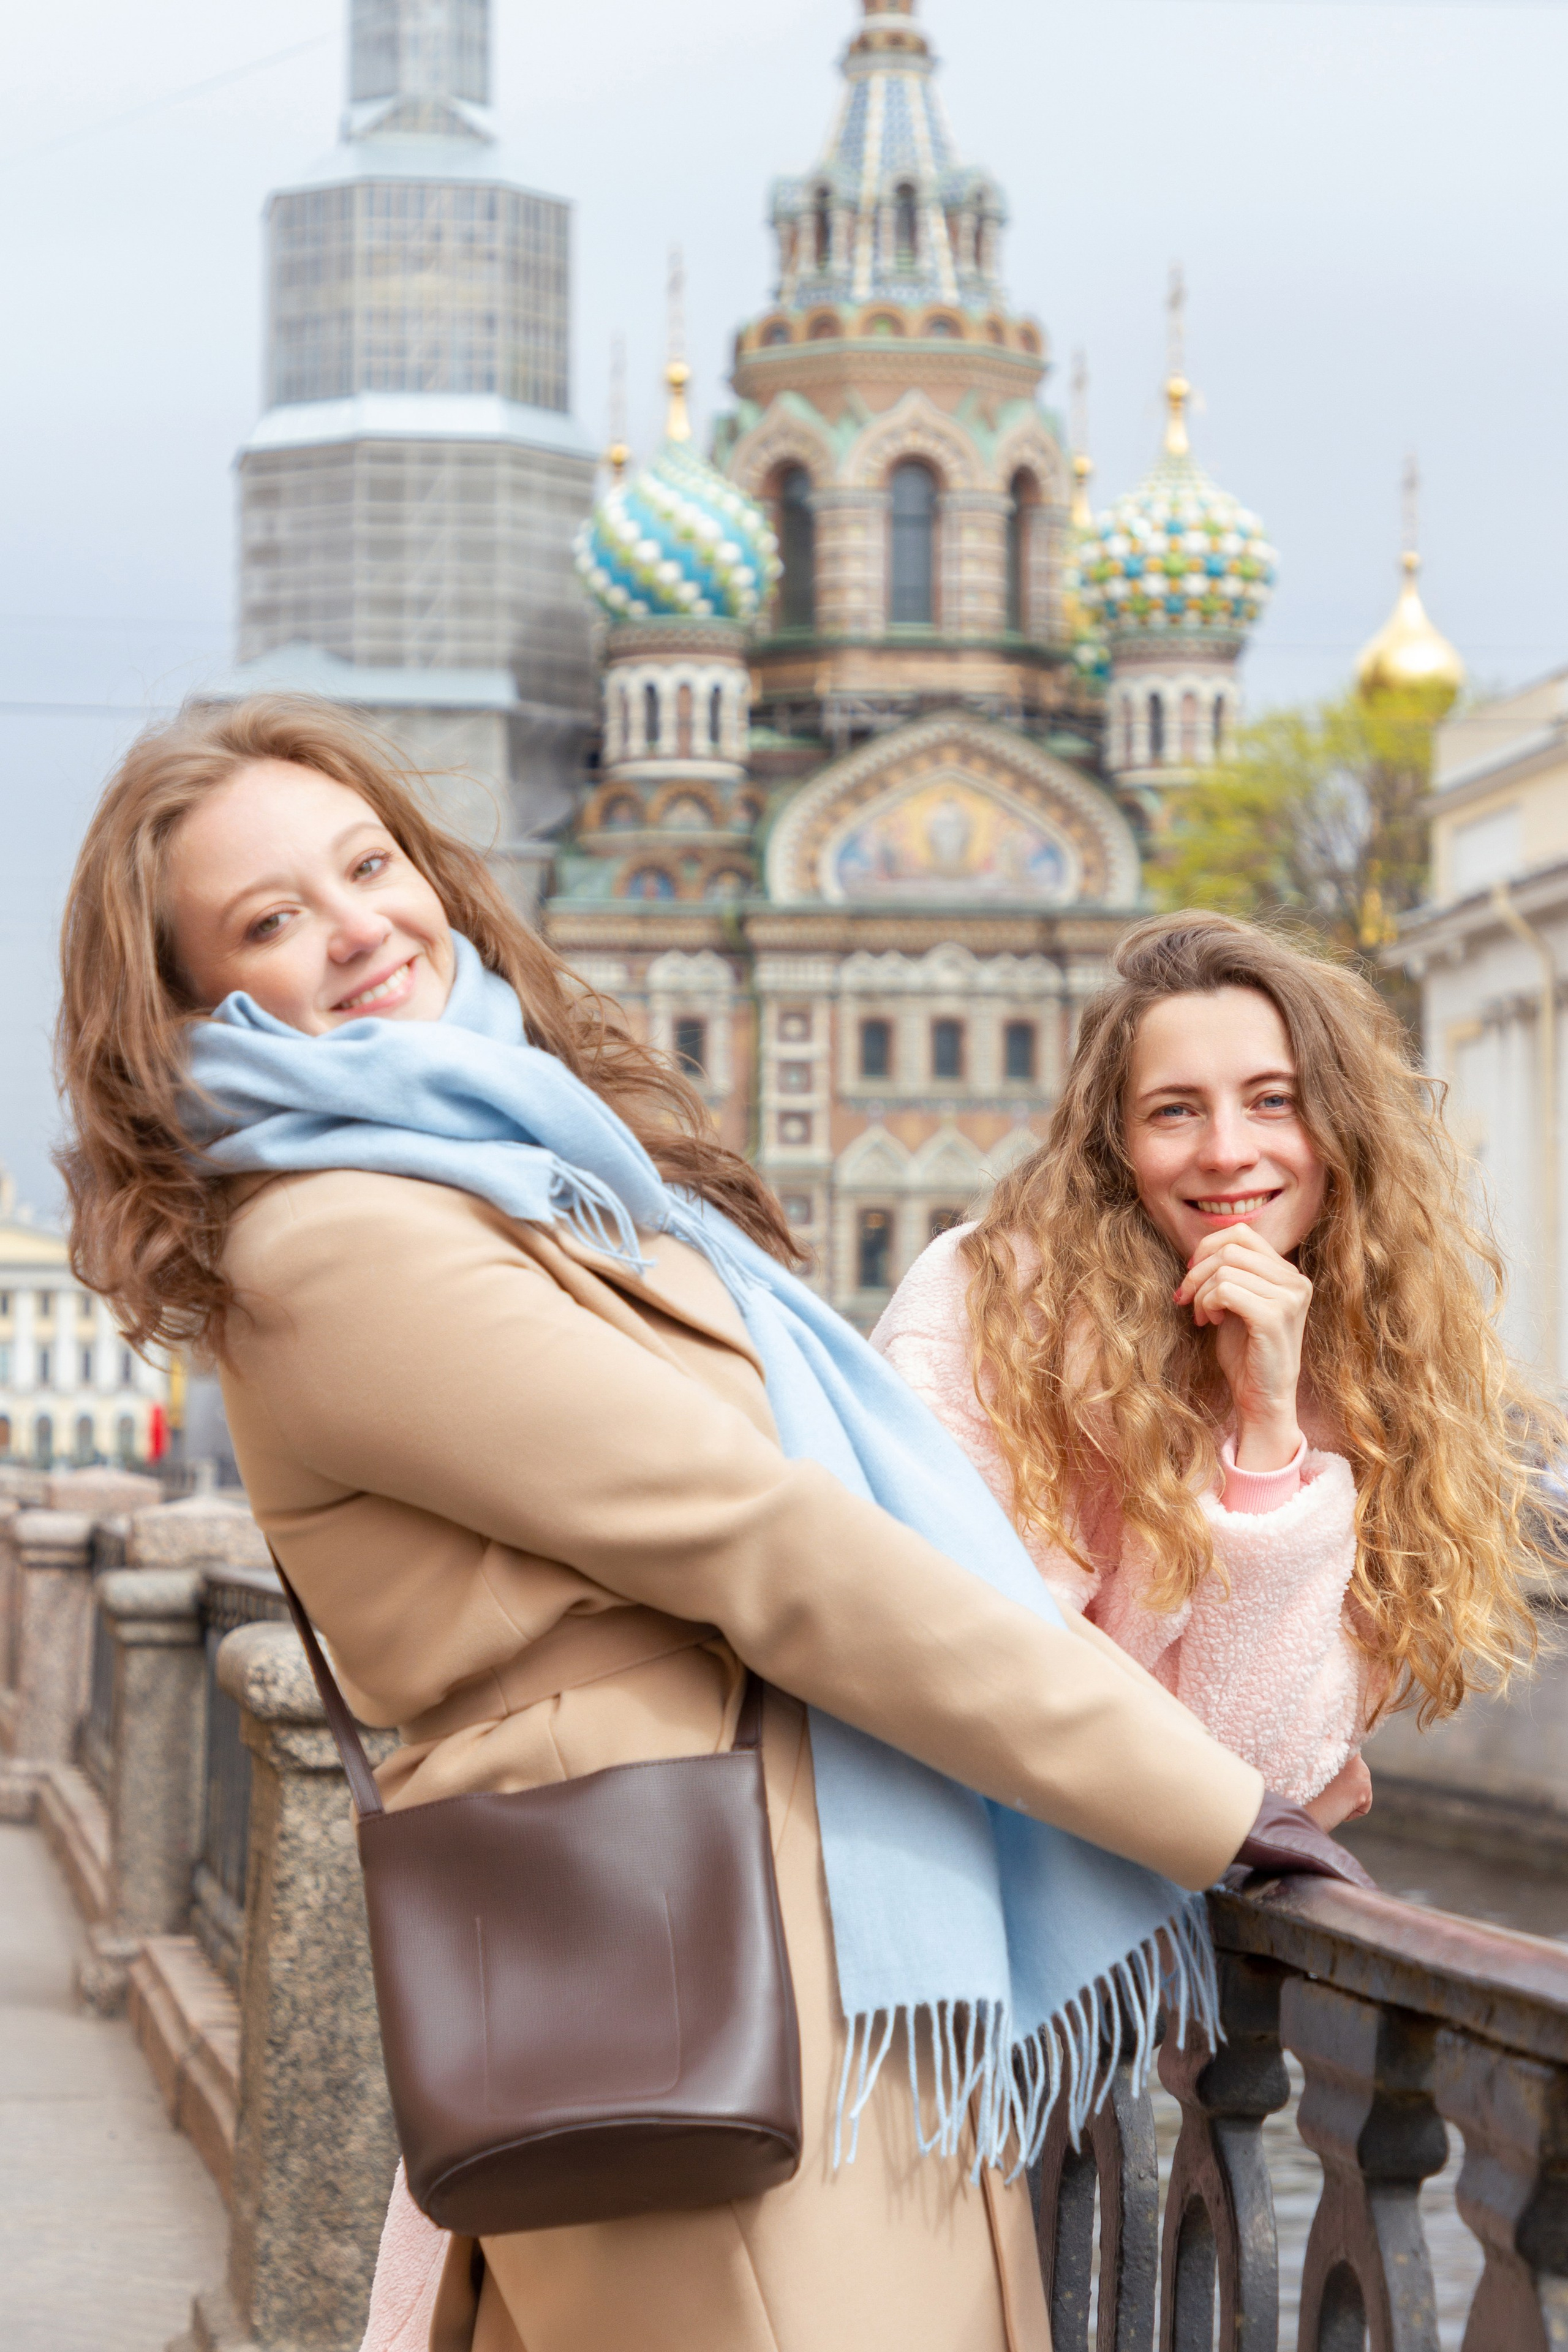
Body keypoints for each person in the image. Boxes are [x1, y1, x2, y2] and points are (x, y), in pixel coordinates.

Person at [57, 703, 1362, 2352]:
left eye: (369, 863)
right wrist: (1193, 1797)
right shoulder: (336, 1244)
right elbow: (764, 1542)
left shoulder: (515, 1166)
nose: (359, 926)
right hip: (690, 1958)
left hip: (785, 1941)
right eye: (270, 920)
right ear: (188, 1006)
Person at [873, 912, 1556, 1834]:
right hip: (978, 1895)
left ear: (1339, 1125)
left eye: (1274, 1100)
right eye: (1175, 1109)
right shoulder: (992, 1300)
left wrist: (1268, 1424)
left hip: (1163, 1945)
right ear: (1115, 1142)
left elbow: (1252, 1773)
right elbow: (956, 1655)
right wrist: (1270, 1784)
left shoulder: (1380, 1364)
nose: (1228, 1150)